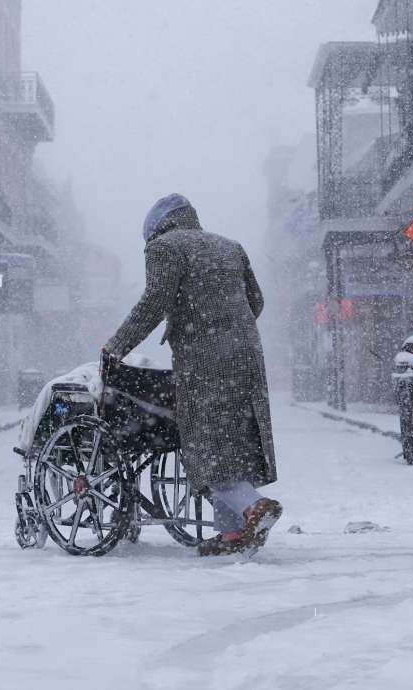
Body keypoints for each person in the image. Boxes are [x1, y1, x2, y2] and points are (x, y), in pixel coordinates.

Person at [104, 193, 281, 556]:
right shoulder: (230, 247)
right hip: (247, 357)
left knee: (206, 442)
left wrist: (116, 347)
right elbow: (256, 301)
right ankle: (231, 534)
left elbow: (154, 301)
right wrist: (230, 327)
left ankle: (253, 506)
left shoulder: (164, 248)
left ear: (154, 229)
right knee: (235, 440)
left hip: (204, 360)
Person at [393, 335, 413, 465]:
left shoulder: (409, 347)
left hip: (411, 393)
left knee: (408, 421)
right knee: (409, 420)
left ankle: (411, 452)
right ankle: (411, 451)